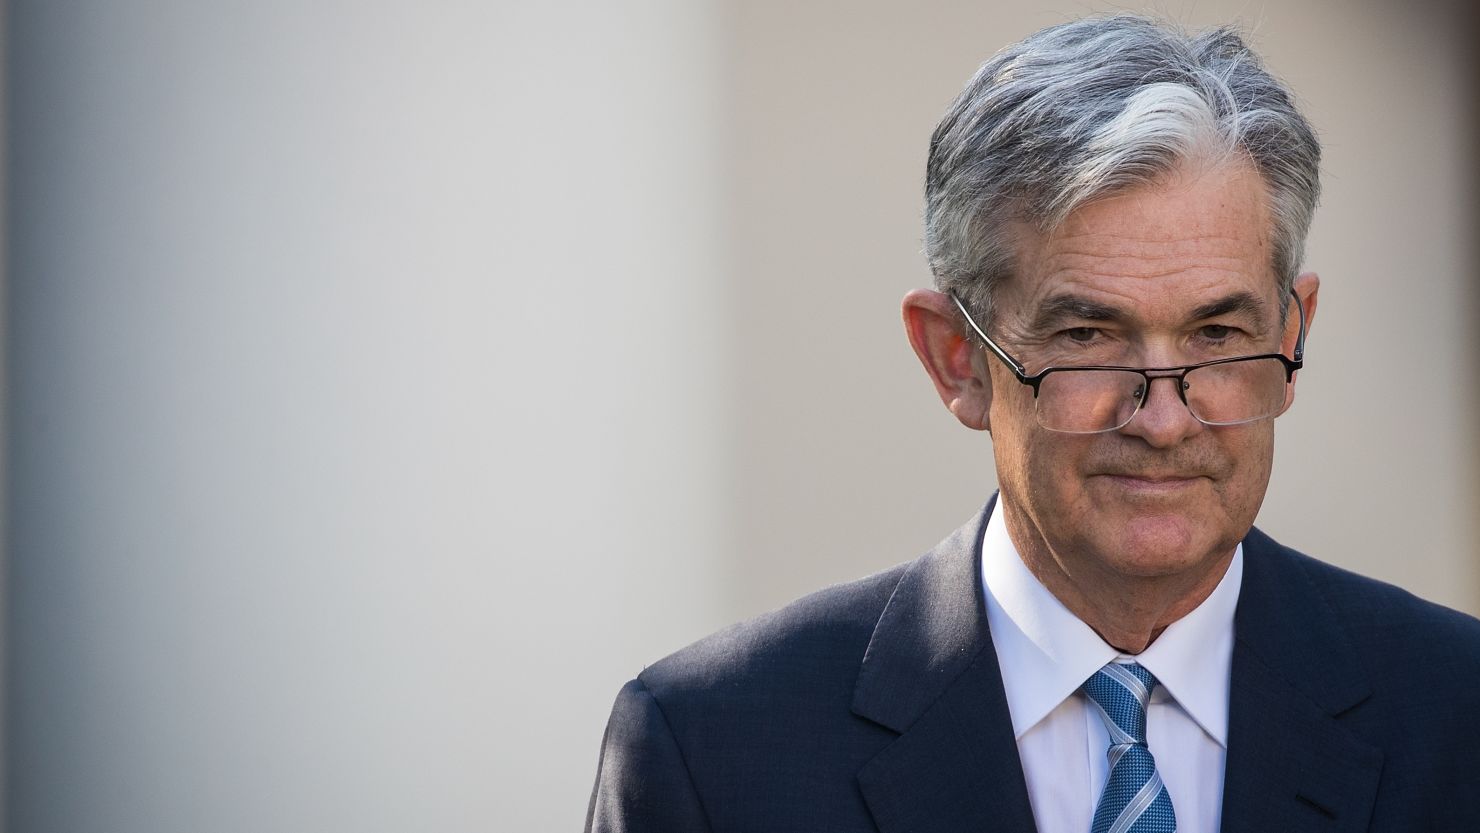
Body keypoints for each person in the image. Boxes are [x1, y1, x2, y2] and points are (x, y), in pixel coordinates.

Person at [585, 15, 1480, 833]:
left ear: (1291, 338)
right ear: (956, 359)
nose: (1164, 419)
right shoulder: (712, 754)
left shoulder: (1456, 711)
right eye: (1088, 337)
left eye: (1217, 334)